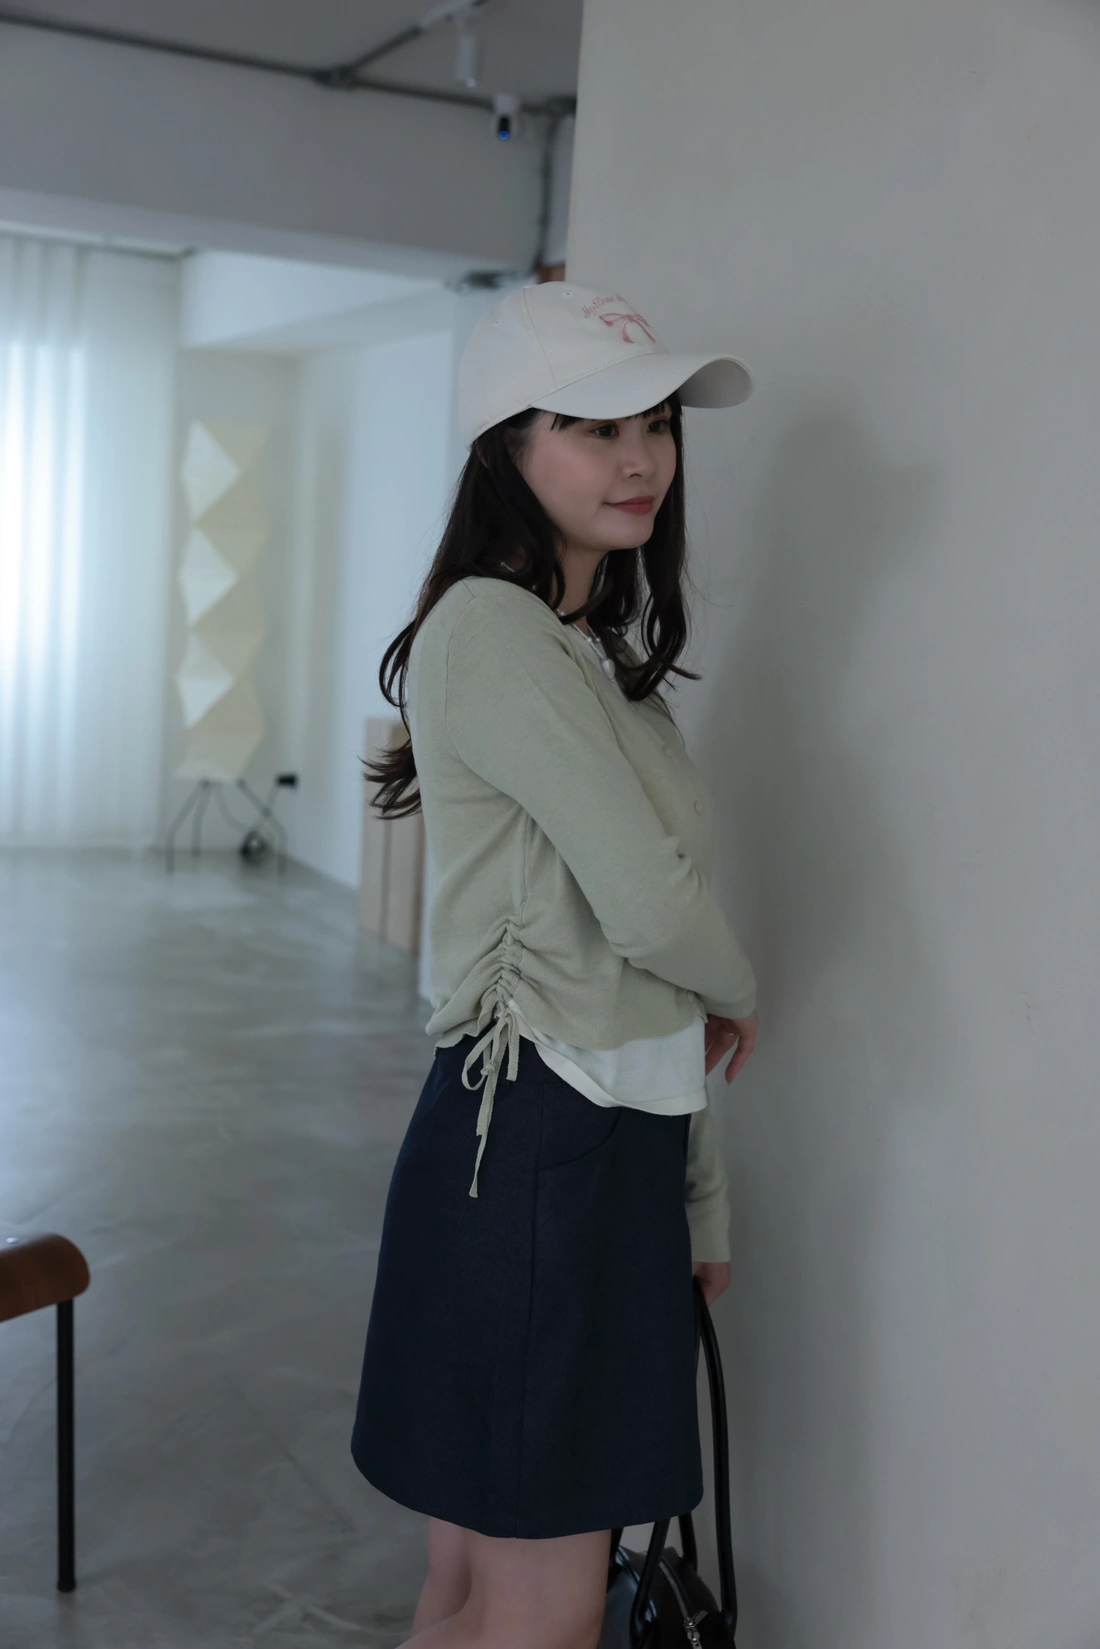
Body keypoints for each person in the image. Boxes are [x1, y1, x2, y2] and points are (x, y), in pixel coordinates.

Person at [349, 280, 760, 1649]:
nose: (641, 458)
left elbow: (637, 976)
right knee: (538, 1610)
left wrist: (695, 1204)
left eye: (657, 424)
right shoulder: (494, 628)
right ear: (507, 447)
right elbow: (647, 908)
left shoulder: (580, 651)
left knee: (482, 1589)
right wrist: (741, 988)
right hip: (540, 1148)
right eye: (595, 427)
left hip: (565, 1147)